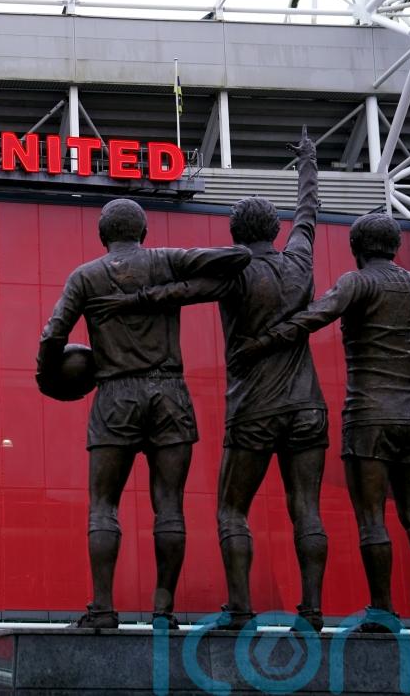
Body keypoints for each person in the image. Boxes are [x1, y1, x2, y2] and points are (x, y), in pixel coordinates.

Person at [89, 131, 330, 631]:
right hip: (309, 405)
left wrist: (130, 301)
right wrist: (308, 162)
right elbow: (308, 214)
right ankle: (311, 611)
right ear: (275, 229)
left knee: (232, 510)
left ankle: (241, 611)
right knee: (307, 508)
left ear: (236, 233)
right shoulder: (300, 260)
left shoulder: (235, 273)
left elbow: (180, 291)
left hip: (254, 407)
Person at [231, 211, 410, 633]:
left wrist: (262, 342)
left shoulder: (357, 283)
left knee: (372, 520)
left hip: (368, 418)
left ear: (356, 249)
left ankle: (383, 612)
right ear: (396, 247)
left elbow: (313, 317)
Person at [37, 198, 252, 629]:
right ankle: (163, 612)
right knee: (169, 506)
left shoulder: (86, 276)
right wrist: (167, 290)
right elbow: (238, 258)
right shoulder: (166, 260)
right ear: (144, 232)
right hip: (169, 392)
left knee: (103, 505)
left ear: (103, 235)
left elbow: (53, 335)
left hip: (115, 394)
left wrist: (48, 378)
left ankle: (102, 609)